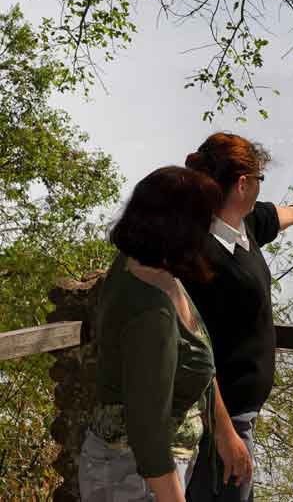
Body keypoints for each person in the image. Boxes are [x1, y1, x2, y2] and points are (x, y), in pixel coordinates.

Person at [183, 132, 293, 501]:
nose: (259, 189)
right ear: (241, 184)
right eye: (258, 180)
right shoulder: (198, 257)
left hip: (240, 417)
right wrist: (225, 434)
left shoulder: (242, 226)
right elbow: (192, 354)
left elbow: (274, 217)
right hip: (218, 422)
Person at [79, 166, 239, 502]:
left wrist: (225, 433)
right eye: (204, 220)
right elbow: (148, 435)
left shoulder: (146, 265)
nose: (209, 229)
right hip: (132, 475)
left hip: (142, 470)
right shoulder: (151, 315)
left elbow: (197, 359)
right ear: (179, 228)